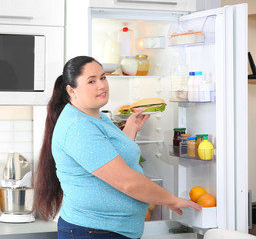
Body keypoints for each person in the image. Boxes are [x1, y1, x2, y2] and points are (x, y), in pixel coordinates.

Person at [33, 56, 201, 239]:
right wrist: (171, 200)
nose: (101, 85)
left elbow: (108, 159)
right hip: (92, 231)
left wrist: (130, 130)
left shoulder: (96, 117)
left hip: (107, 230)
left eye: (103, 77)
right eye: (91, 81)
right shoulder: (77, 126)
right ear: (71, 90)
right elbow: (127, 181)